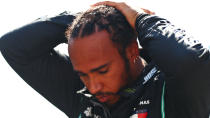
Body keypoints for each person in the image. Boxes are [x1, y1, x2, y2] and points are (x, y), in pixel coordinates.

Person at [0, 1, 209, 118]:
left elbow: (194, 63)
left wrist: (141, 20)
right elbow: (14, 46)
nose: (93, 86)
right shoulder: (81, 97)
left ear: (132, 51)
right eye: (83, 74)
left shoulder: (173, 92)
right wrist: (93, 19)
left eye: (102, 71)